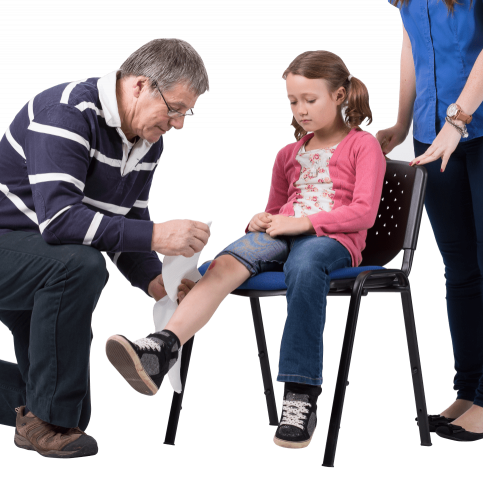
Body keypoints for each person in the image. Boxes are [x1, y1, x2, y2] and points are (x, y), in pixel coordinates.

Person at [0, 38, 212, 459]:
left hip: (48, 263)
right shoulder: (67, 112)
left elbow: (125, 225)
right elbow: (60, 221)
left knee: (65, 409)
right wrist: (155, 235)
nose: (179, 122)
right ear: (139, 86)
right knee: (82, 266)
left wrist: (158, 285)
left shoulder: (149, 143)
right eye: (174, 107)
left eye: (187, 112)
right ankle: (45, 423)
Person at [103, 50, 386, 450]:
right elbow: (276, 209)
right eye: (293, 101)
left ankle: (300, 396)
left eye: (311, 100)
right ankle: (163, 346)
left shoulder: (363, 146)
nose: (300, 110)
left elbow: (363, 213)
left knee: (304, 267)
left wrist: (301, 223)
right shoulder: (287, 154)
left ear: (340, 96)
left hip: (332, 241)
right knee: (225, 262)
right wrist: (263, 219)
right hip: (283, 233)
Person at [377, 0, 483, 442]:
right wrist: (403, 121)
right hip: (432, 132)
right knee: (459, 272)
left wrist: (457, 119)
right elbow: (411, 43)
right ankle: (466, 393)